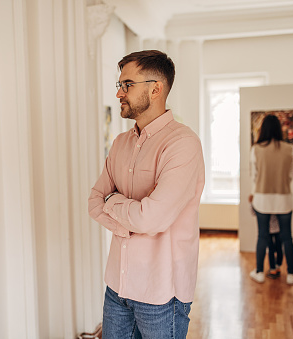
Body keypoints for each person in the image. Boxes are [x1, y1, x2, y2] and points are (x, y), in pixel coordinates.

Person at [88, 50, 205, 338]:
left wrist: (113, 201)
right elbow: (93, 202)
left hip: (161, 294)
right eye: (119, 85)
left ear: (156, 89)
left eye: (127, 84)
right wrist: (134, 219)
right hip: (117, 286)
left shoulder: (182, 144)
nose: (119, 93)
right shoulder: (120, 143)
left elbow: (150, 219)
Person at [249, 114, 293, 285]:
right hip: (284, 199)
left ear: (262, 129)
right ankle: (292, 274)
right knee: (287, 238)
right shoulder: (290, 149)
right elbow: (290, 176)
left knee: (262, 237)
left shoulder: (256, 149)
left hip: (262, 199)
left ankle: (259, 272)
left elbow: (255, 177)